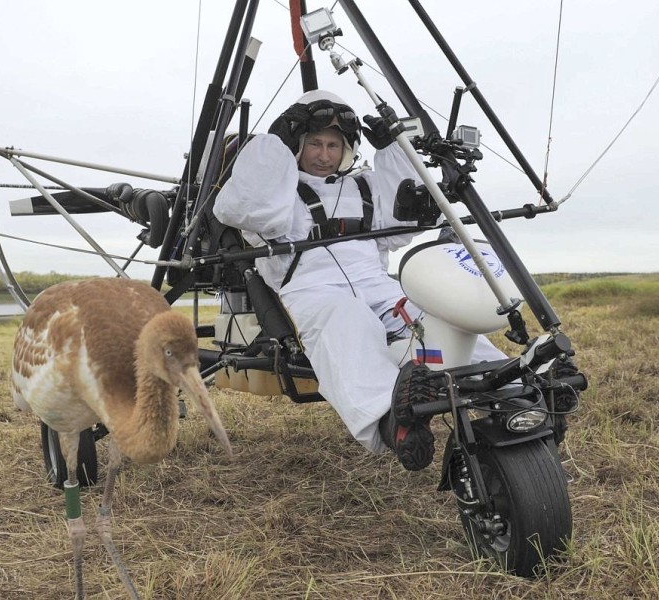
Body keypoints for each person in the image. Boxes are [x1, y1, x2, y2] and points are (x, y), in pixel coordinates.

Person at [213, 89, 505, 470]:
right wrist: (274, 146)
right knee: (348, 319)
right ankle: (394, 420)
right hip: (311, 291)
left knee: (429, 317)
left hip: (378, 285)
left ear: (347, 147)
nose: (323, 154)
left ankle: (506, 390)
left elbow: (402, 224)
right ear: (296, 145)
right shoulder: (277, 191)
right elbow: (241, 209)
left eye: (334, 144)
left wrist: (394, 152)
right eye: (313, 143)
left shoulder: (363, 185)